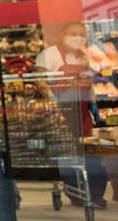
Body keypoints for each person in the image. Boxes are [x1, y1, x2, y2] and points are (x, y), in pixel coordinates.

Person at [35, 22, 107, 207]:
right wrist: (53, 102)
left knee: (90, 153)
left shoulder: (85, 57)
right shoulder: (49, 55)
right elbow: (40, 80)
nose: (78, 38)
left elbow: (92, 82)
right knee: (68, 154)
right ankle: (76, 192)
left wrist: (93, 104)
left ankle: (96, 192)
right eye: (73, 33)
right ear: (62, 34)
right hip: (62, 111)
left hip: (83, 110)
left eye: (82, 34)